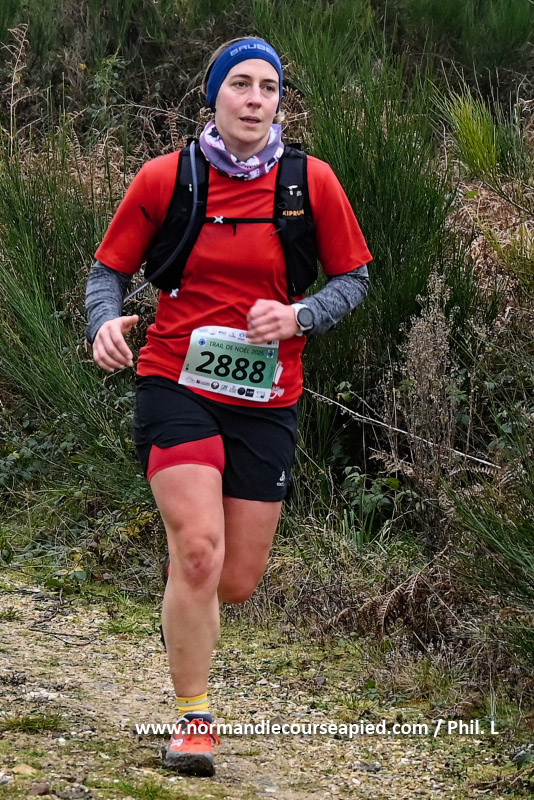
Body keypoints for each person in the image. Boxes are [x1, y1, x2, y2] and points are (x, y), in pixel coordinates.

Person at [85, 37, 371, 777]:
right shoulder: (167, 178)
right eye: (240, 84)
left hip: (267, 398)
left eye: (268, 87)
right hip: (174, 381)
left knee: (235, 579)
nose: (254, 98)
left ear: (279, 102)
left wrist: (300, 316)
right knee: (199, 551)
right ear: (213, 96)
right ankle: (193, 718)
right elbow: (107, 272)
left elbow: (354, 279)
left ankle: (190, 583)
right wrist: (103, 323)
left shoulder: (311, 182)